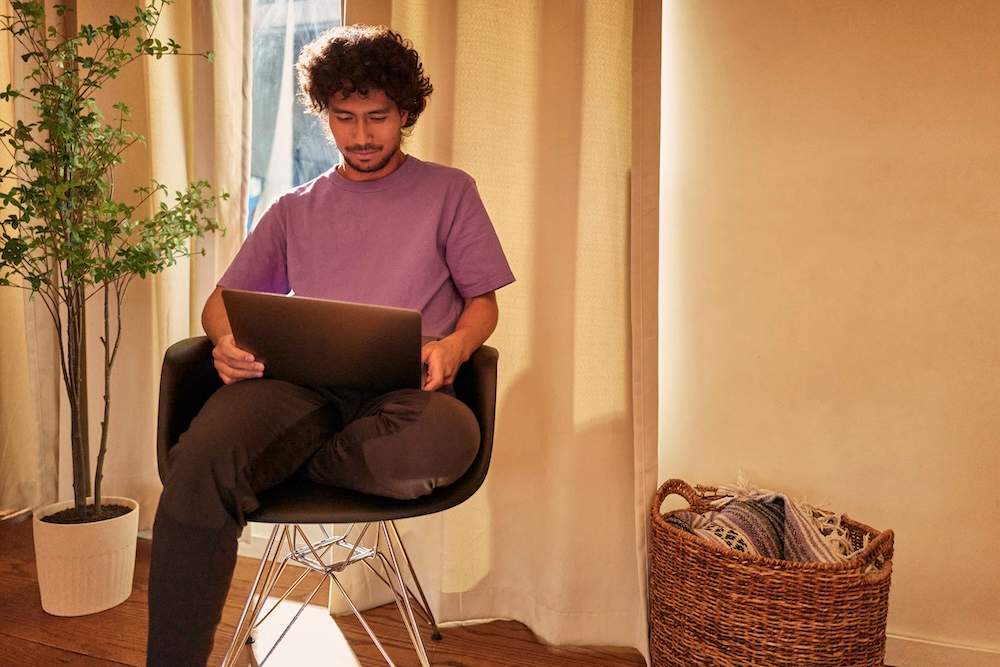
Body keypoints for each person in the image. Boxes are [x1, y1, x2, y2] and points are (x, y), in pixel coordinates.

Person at [146, 25, 514, 666]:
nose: (361, 135)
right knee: (200, 462)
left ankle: (280, 463)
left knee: (447, 441)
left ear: (406, 112)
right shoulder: (295, 207)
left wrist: (455, 347)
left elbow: (483, 303)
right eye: (344, 118)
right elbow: (220, 303)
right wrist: (225, 341)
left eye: (378, 117)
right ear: (324, 115)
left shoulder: (450, 191)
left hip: (407, 395)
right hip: (297, 390)